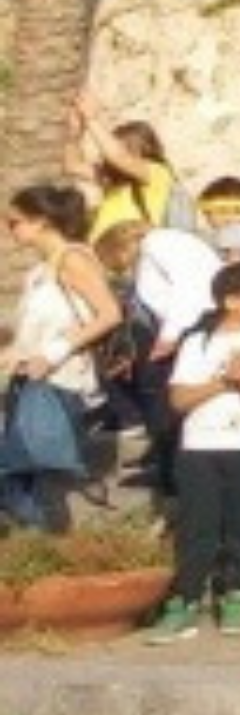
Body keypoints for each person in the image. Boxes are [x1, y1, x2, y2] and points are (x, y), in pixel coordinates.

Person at [148, 260, 240, 638]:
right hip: (199, 447)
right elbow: (179, 398)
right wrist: (223, 382)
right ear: (231, 301)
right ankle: (185, 600)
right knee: (198, 528)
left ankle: (235, 594)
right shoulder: (198, 341)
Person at [1, 181, 118, 533]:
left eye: (15, 221)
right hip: (33, 380)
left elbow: (109, 313)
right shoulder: (40, 271)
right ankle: (41, 543)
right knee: (25, 475)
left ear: (42, 222)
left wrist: (54, 353)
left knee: (26, 471)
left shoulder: (73, 259)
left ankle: (46, 545)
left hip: (60, 381)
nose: (9, 230)